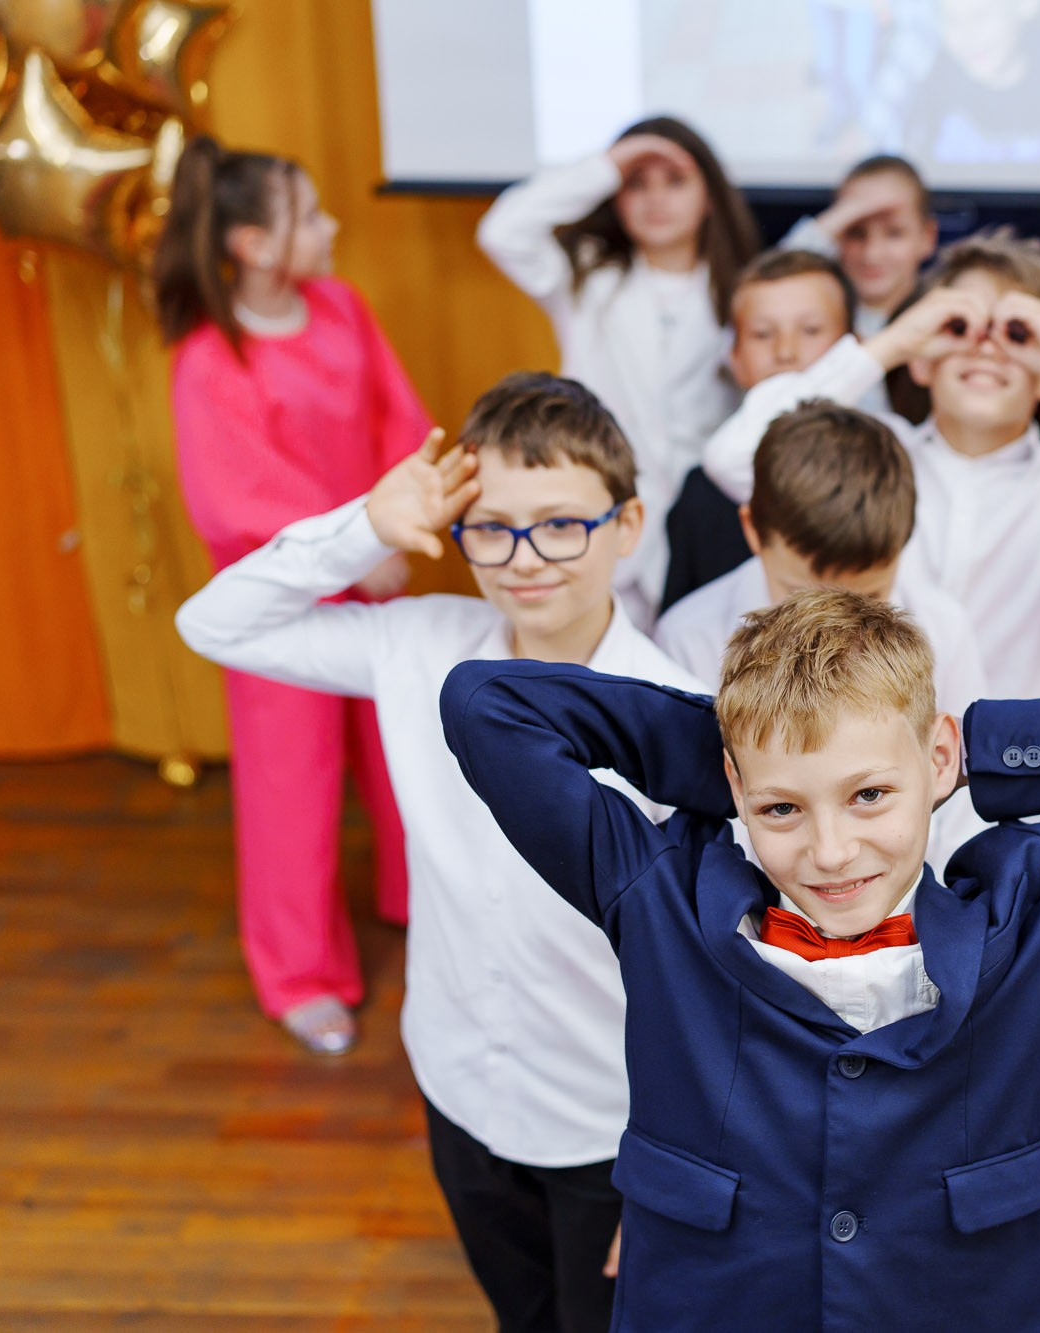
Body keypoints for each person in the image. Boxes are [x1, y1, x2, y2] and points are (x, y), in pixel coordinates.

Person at [440, 587, 1040, 1331]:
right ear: (737, 788)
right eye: (782, 808)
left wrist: (983, 754)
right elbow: (484, 705)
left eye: (870, 794)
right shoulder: (659, 897)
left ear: (934, 759)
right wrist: (743, 743)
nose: (830, 850)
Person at [176, 375, 706, 1332]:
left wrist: (678, 1168)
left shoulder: (678, 719)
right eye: (491, 528)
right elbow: (212, 623)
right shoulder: (419, 646)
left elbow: (711, 973)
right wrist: (365, 527)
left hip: (611, 1126)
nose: (524, 558)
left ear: (627, 526)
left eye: (561, 525)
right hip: (460, 1085)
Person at [154, 135, 424, 1056]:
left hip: (376, 579)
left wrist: (402, 521)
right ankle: (300, 974)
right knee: (289, 791)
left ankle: (416, 900)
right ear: (255, 244)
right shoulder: (208, 359)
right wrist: (354, 551)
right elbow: (236, 500)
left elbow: (398, 420)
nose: (331, 225)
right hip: (281, 610)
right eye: (310, 215)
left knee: (402, 754)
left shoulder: (342, 309)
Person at [702, 229, 1040, 700]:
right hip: (870, 742)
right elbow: (734, 459)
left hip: (1011, 754)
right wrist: (891, 344)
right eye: (958, 328)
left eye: (1019, 334)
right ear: (922, 360)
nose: (986, 347)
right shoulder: (872, 455)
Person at [657, 399, 988, 868]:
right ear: (753, 530)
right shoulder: (689, 637)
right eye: (799, 593)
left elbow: (965, 799)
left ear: (904, 544)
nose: (830, 619)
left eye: (869, 595)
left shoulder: (941, 627)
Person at [477, 117, 760, 623]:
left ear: (711, 196)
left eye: (675, 181)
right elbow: (503, 232)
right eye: (637, 184)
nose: (656, 199)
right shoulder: (587, 277)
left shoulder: (742, 289)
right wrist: (608, 165)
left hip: (706, 526)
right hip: (602, 514)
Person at [661, 249, 858, 610]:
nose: (785, 351)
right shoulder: (702, 493)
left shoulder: (895, 461)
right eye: (763, 334)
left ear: (854, 347)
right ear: (734, 358)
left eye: (810, 330)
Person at [781, 154, 940, 343]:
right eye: (856, 233)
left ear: (928, 237)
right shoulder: (818, 321)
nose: (872, 254)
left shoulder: (944, 319)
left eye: (894, 233)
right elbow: (777, 279)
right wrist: (849, 210)